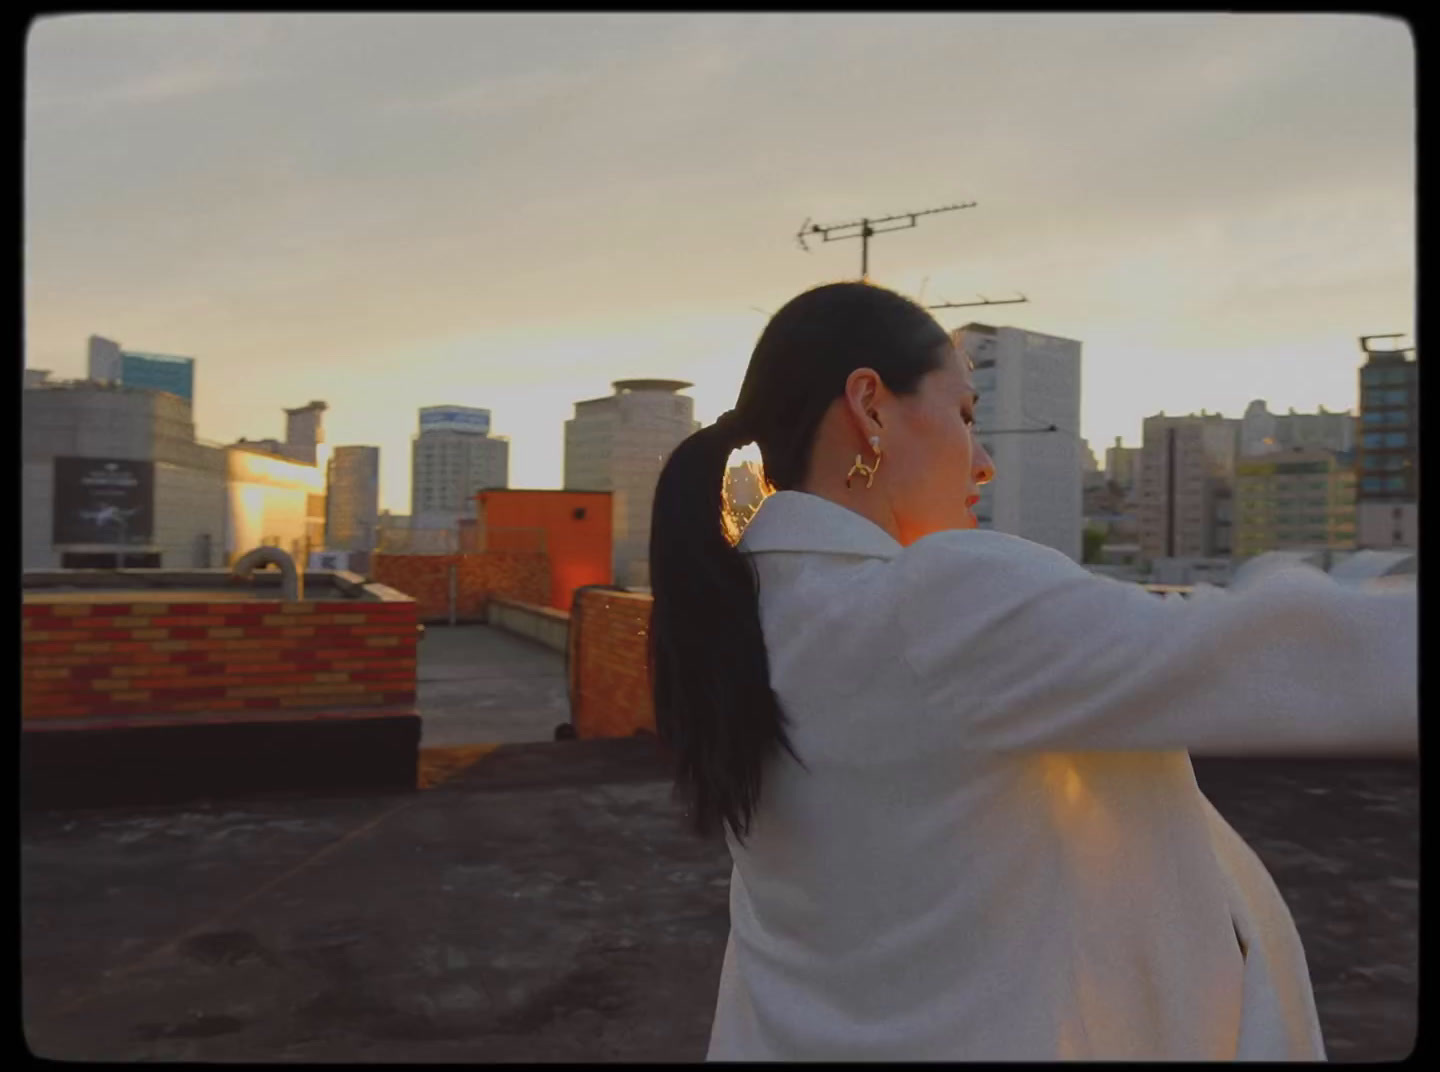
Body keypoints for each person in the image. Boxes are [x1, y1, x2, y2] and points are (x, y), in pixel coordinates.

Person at [646, 281, 1417, 1061]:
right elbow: (1283, 654)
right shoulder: (935, 603)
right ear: (871, 406)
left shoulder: (739, 614)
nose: (981, 464)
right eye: (967, 415)